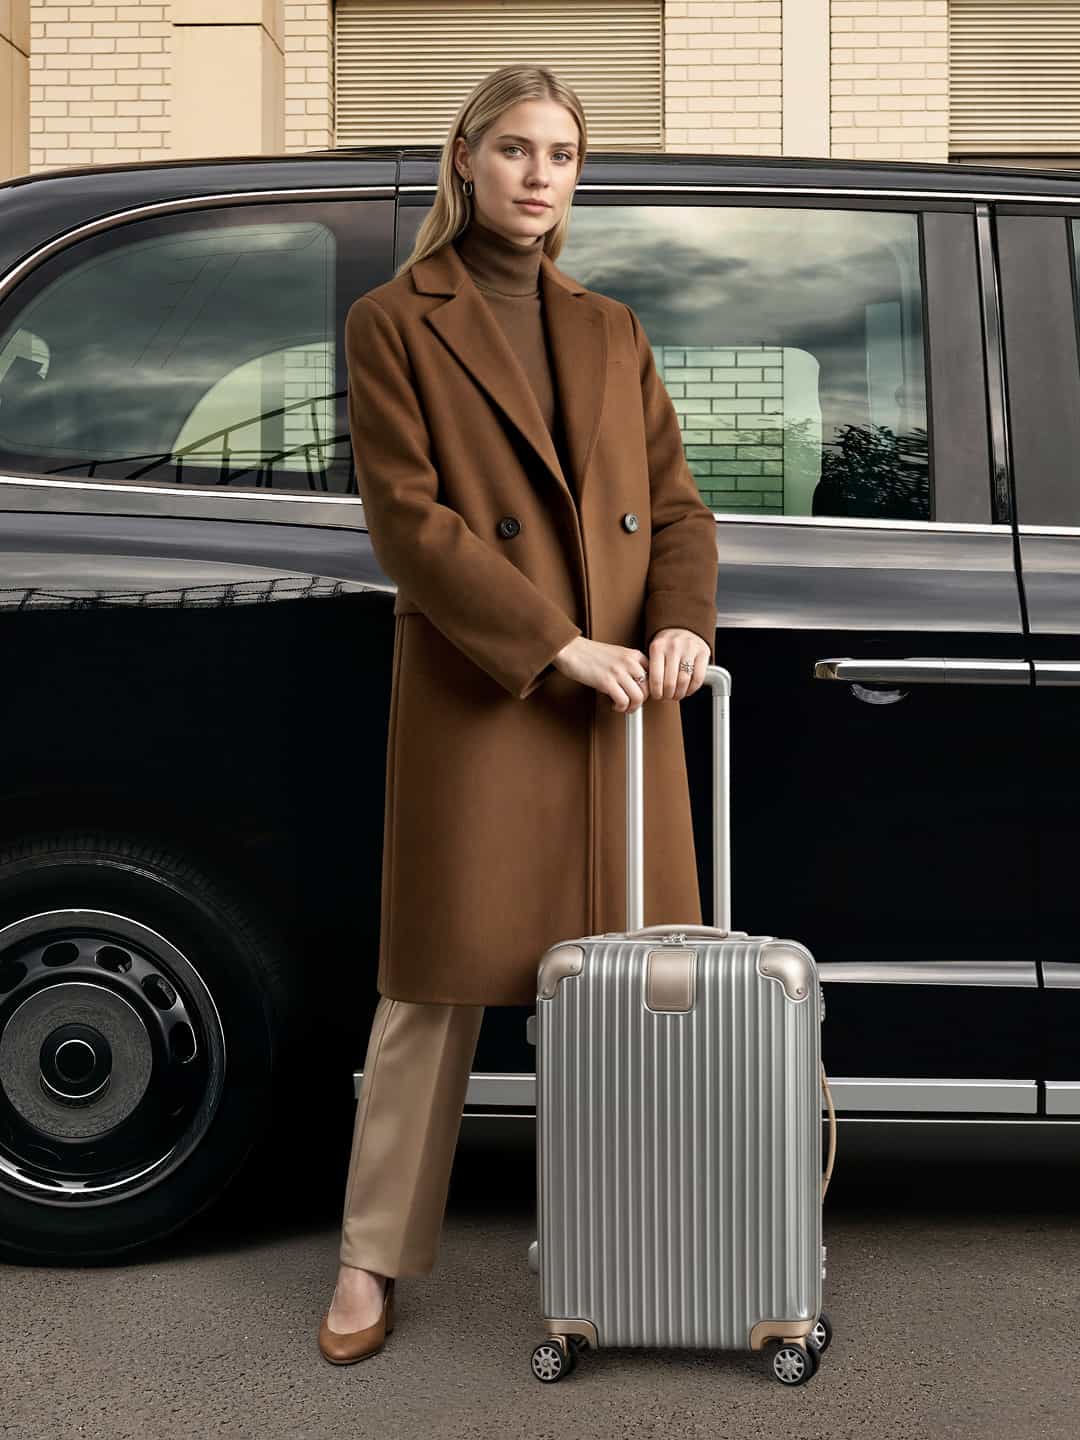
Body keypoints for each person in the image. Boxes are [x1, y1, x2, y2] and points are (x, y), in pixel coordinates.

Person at [318, 62, 719, 1365]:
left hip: (622, 706)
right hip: (488, 693)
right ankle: (371, 1259)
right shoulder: (396, 318)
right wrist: (555, 646)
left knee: (628, 990)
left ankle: (628, 1257)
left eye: (562, 154)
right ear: (465, 161)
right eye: (515, 150)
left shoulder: (611, 328)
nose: (540, 175)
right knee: (432, 992)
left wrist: (677, 623)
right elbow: (412, 524)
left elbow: (675, 510)